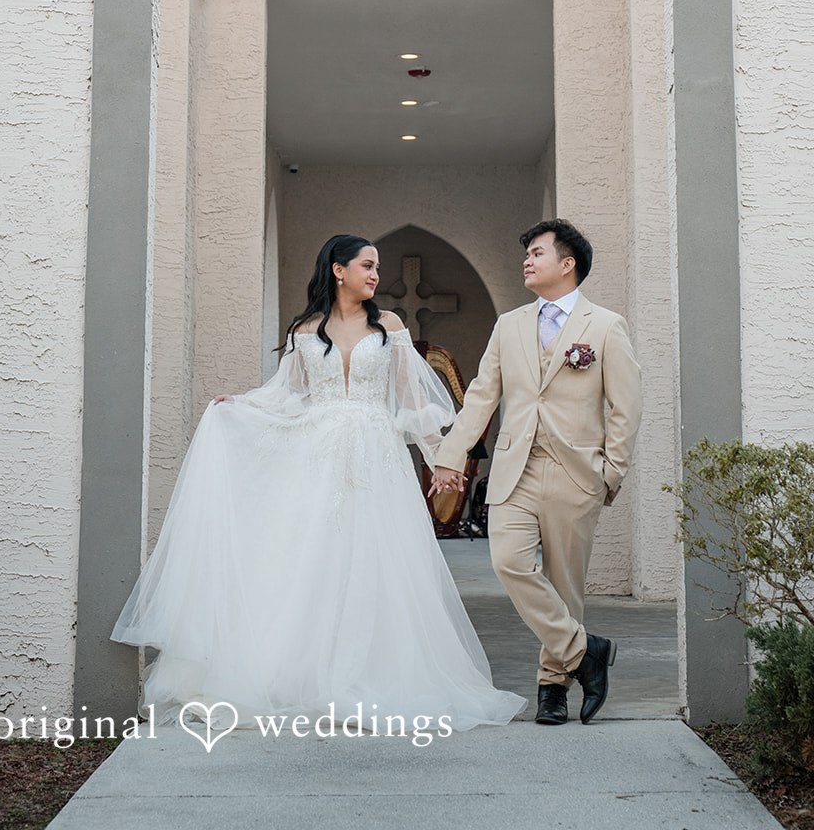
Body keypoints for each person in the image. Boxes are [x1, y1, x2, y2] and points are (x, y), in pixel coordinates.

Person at [110, 233, 525, 736]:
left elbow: (411, 400)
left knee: (378, 561)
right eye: (367, 265)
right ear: (338, 269)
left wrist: (443, 458)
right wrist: (239, 407)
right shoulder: (306, 330)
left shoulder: (390, 326)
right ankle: (309, 676)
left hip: (378, 459)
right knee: (315, 561)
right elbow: (289, 396)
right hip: (319, 457)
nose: (376, 275)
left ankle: (375, 673)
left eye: (377, 266)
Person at [431, 219, 643, 727]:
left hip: (576, 472)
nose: (527, 260)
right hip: (515, 469)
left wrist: (610, 471)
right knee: (509, 562)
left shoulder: (605, 326)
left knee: (565, 584)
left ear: (567, 264)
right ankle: (584, 650)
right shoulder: (510, 325)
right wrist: (450, 453)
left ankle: (553, 687)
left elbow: (626, 406)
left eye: (538, 253)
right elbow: (482, 395)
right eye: (526, 253)